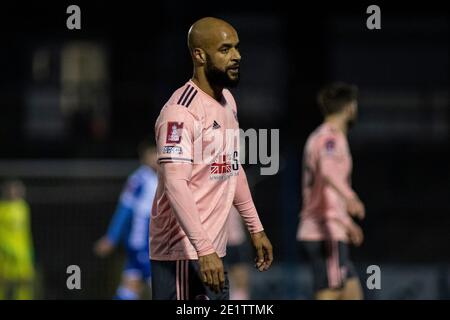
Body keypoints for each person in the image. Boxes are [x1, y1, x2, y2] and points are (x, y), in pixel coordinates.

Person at [151, 17, 273, 300]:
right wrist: (203, 249)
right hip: (181, 254)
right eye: (225, 49)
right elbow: (175, 184)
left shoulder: (228, 102)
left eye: (237, 48)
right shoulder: (180, 113)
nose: (237, 56)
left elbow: (232, 168)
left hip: (210, 250)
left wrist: (255, 228)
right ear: (199, 55)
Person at [297, 82, 365, 300]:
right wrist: (351, 197)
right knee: (330, 293)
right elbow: (327, 171)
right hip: (325, 231)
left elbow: (327, 192)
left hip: (330, 227)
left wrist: (346, 223)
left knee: (352, 292)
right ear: (350, 108)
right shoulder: (330, 138)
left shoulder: (319, 136)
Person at [94, 142, 158, 300]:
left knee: (130, 286)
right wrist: (112, 237)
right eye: (152, 154)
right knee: (162, 285)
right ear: (144, 158)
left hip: (154, 243)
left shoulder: (167, 176)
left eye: (157, 153)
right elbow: (124, 209)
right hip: (144, 243)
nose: (155, 158)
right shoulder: (139, 179)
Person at [0, 179, 35, 300]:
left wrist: (30, 255)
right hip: (5, 256)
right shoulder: (1, 209)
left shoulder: (24, 208)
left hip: (22, 255)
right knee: (4, 285)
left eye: (17, 189)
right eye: (12, 189)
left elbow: (27, 233)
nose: (14, 192)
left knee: (25, 286)